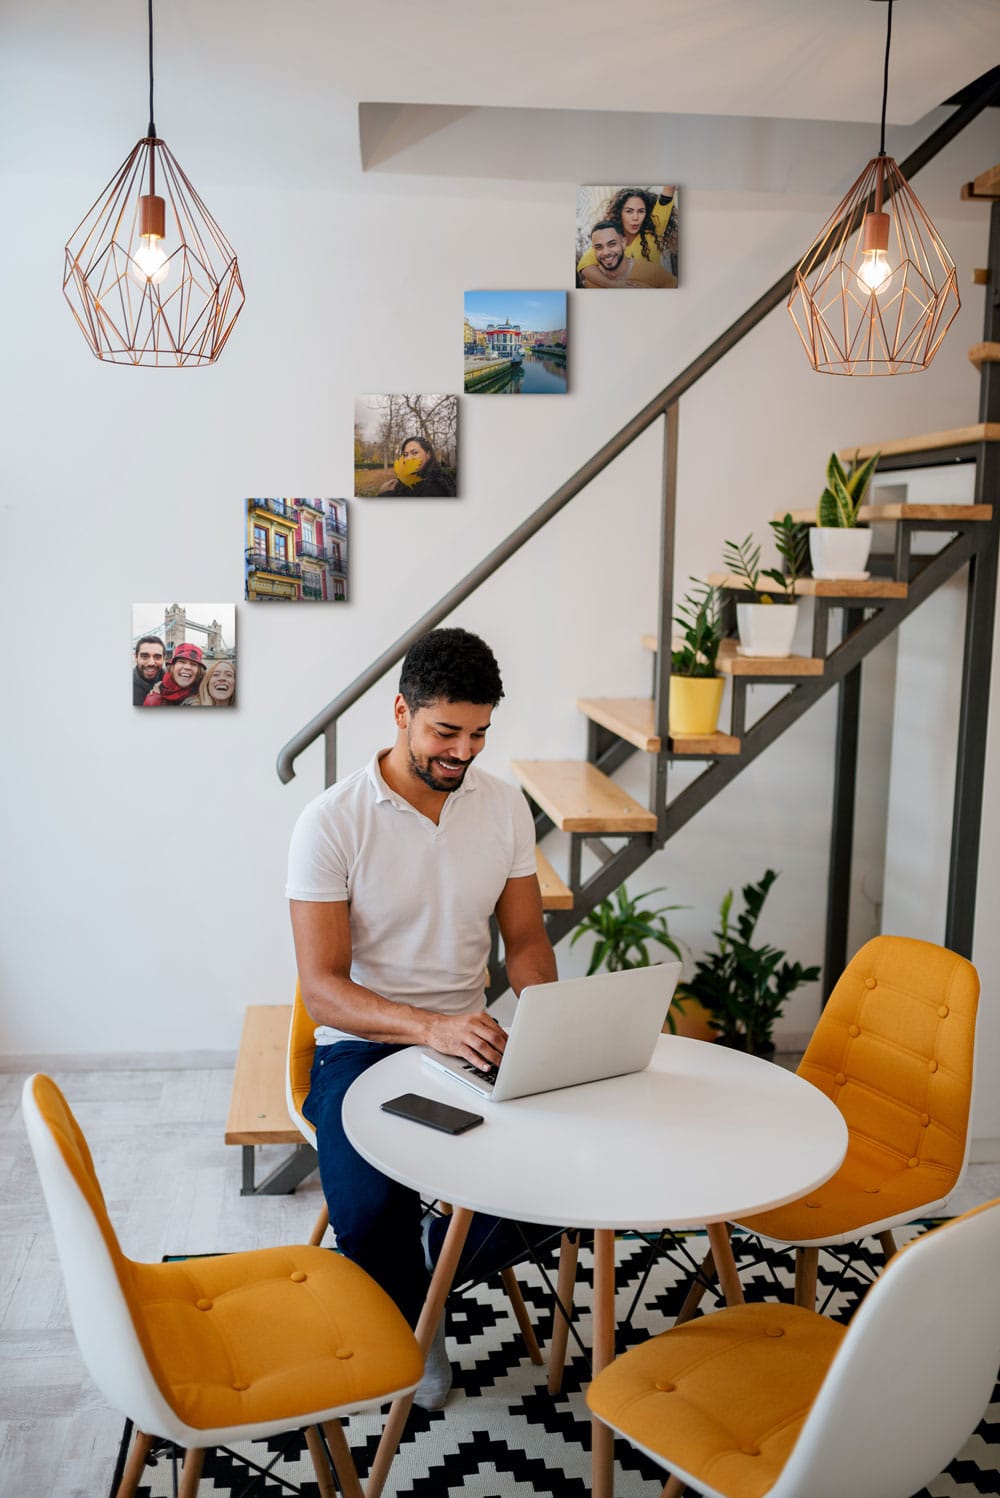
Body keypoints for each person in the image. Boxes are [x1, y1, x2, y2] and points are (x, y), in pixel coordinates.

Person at [286, 627, 556, 1405]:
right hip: (362, 1049)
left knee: (571, 1189)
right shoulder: (332, 822)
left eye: (478, 734)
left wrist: (543, 1023)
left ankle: (433, 1258)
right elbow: (324, 990)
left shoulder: (503, 808)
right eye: (445, 732)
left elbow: (528, 941)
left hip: (472, 1046)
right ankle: (412, 1310)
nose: (462, 752)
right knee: (368, 1215)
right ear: (401, 712)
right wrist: (429, 1026)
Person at [577, 185, 677, 286]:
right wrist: (613, 285)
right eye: (629, 211)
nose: (635, 217)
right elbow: (584, 266)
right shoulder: (609, 239)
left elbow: (667, 194)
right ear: (620, 213)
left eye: (641, 211)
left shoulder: (654, 230)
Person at [579, 222, 674, 288]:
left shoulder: (652, 271)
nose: (606, 252)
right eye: (599, 247)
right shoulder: (592, 283)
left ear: (624, 243)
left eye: (612, 244)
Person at [378, 436, 456, 497]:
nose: (408, 458)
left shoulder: (435, 487)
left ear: (428, 455)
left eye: (414, 453)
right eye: (405, 454)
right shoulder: (408, 479)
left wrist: (385, 493)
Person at [133, 636, 165, 705]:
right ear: (136, 657)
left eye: (157, 657)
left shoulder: (173, 682)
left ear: (164, 659)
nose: (151, 663)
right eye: (144, 656)